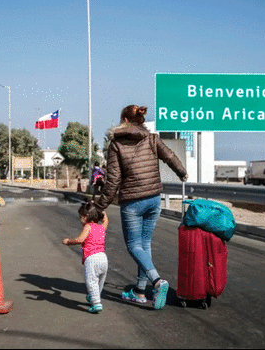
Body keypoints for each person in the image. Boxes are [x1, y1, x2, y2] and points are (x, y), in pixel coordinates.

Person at [95, 105, 188, 310]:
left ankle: (156, 281)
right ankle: (138, 291)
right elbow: (170, 156)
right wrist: (182, 172)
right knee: (144, 245)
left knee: (134, 246)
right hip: (154, 198)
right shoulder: (152, 138)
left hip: (132, 201)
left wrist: (99, 206)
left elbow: (113, 181)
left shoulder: (116, 144)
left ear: (124, 120)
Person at [62, 202, 109, 314]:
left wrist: (68, 241)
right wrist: (99, 207)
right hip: (103, 258)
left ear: (86, 217)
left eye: (81, 217)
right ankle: (93, 296)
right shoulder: (101, 227)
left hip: (91, 258)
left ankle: (96, 303)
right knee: (99, 281)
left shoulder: (88, 226)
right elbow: (106, 219)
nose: (80, 220)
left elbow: (80, 239)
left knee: (91, 281)